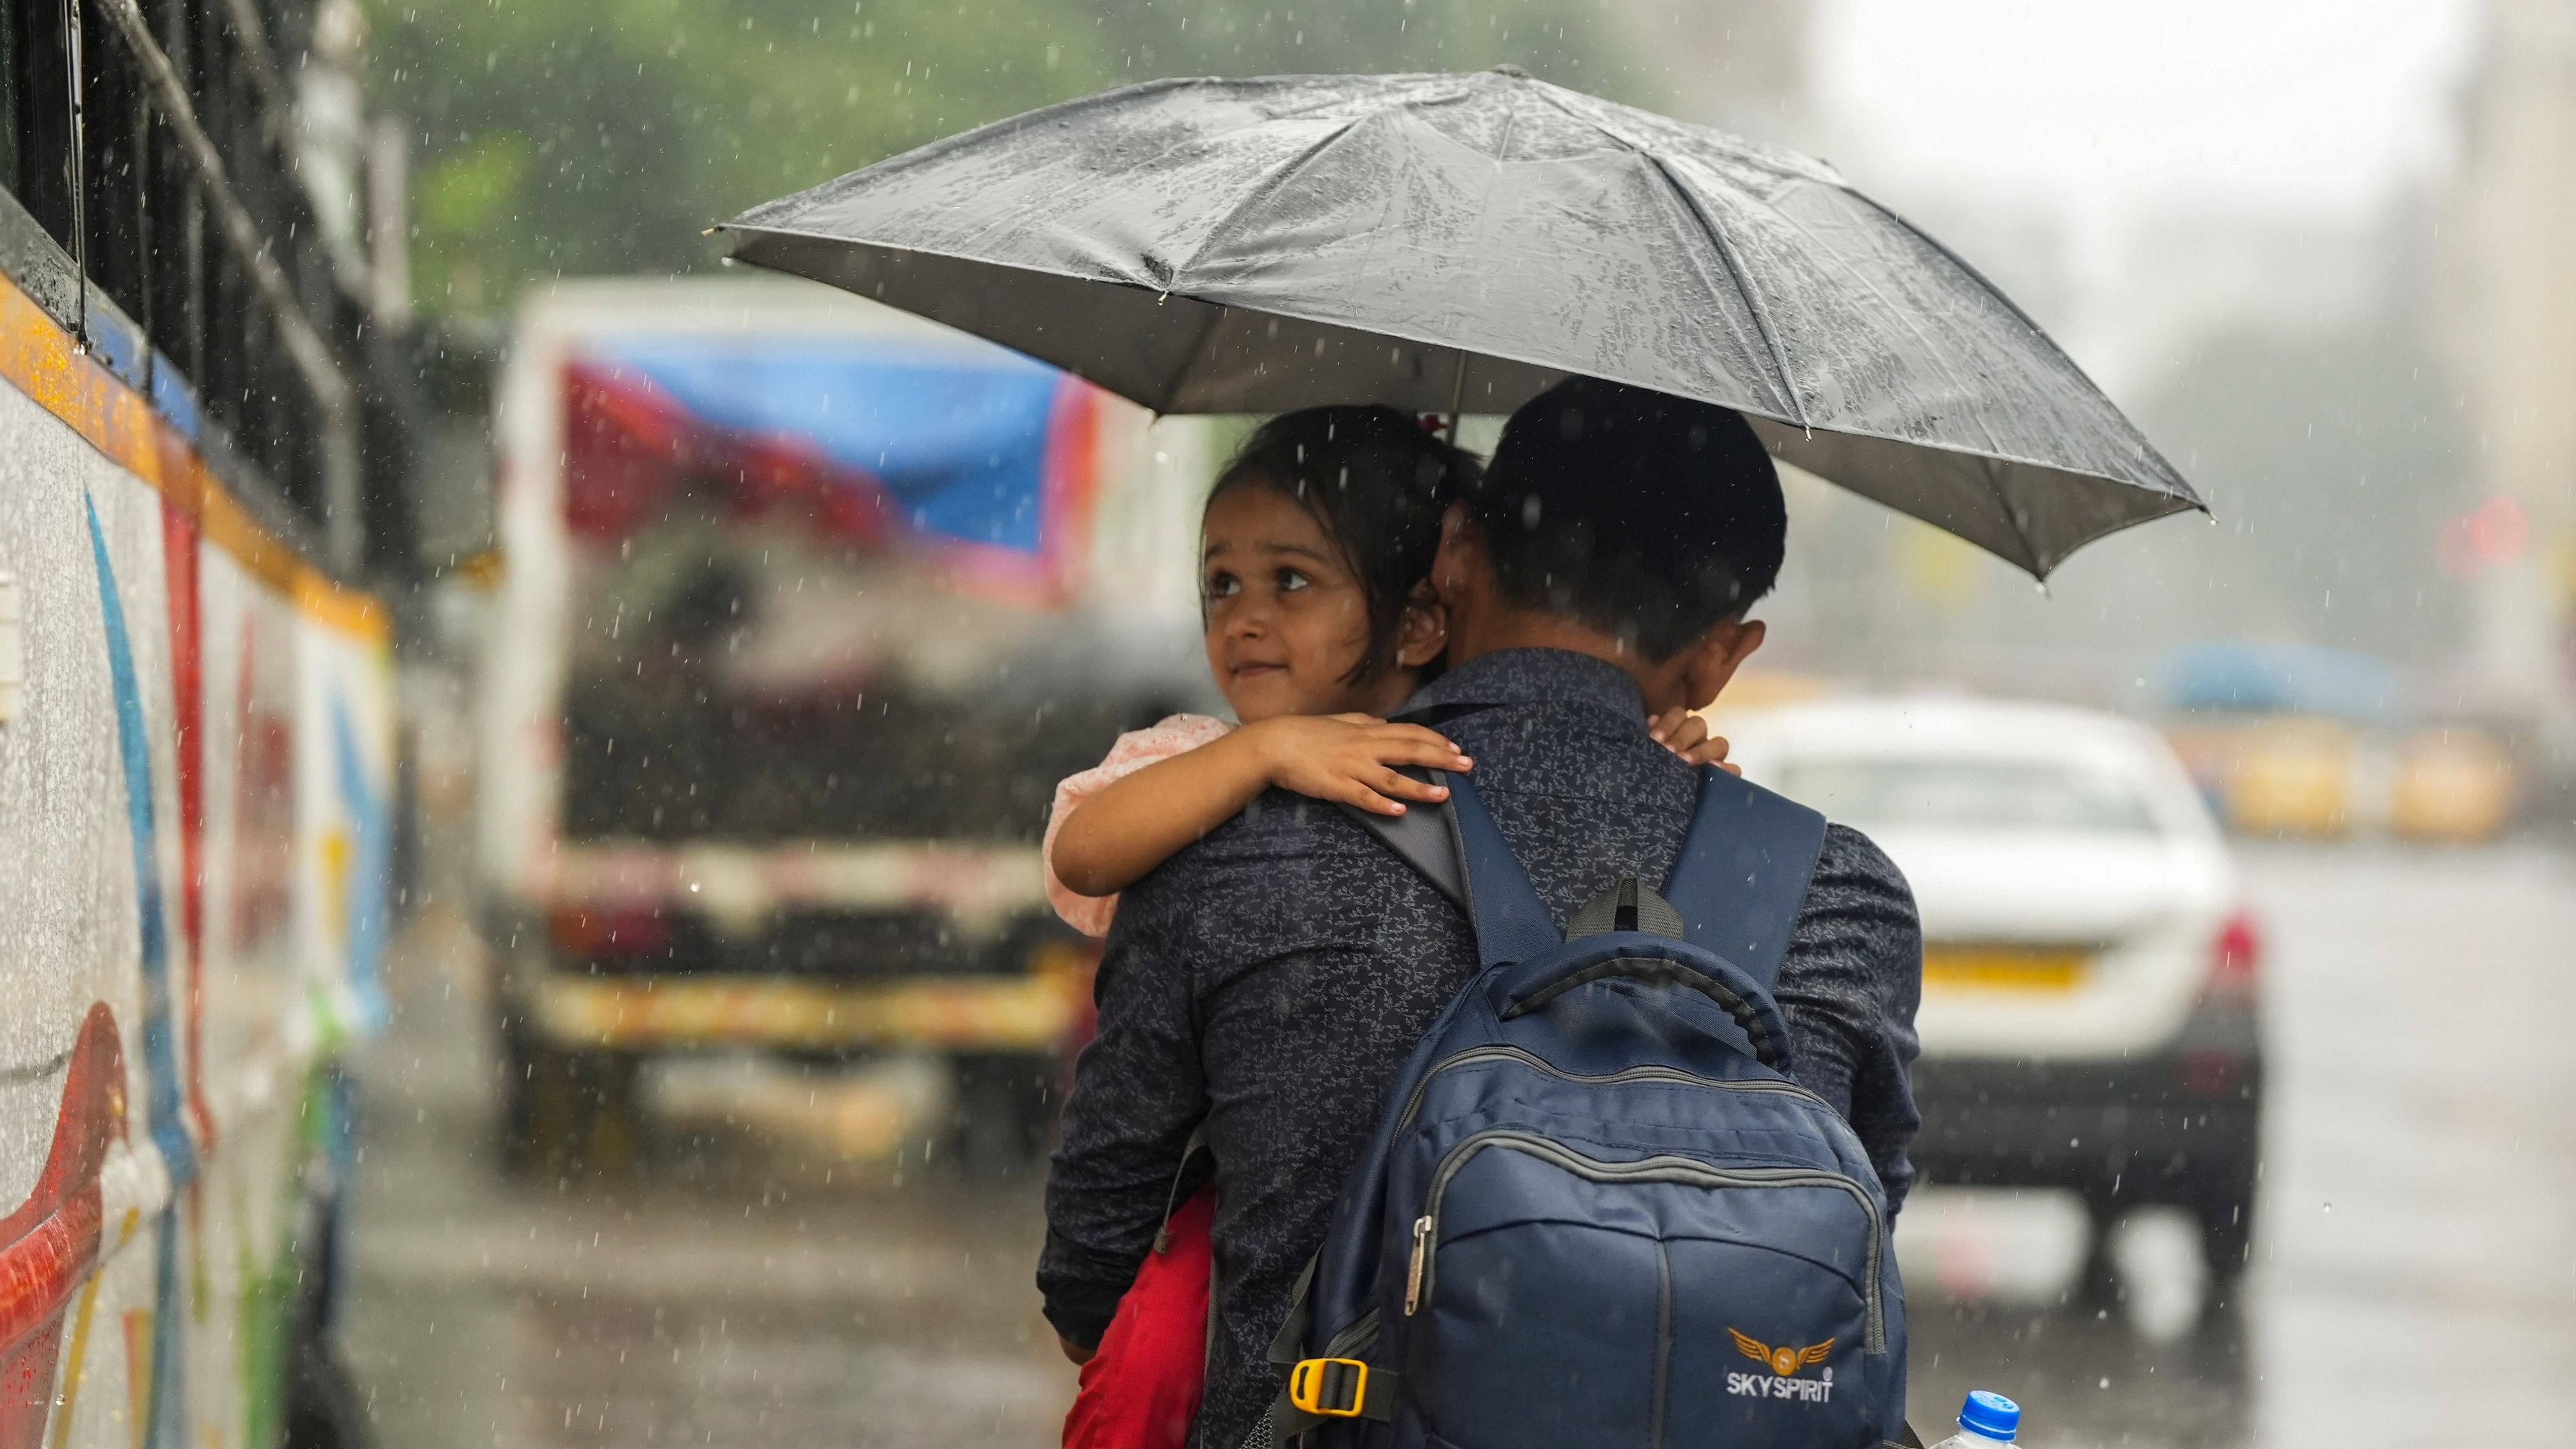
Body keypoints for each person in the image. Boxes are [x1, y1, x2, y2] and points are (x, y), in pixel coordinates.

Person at [1038, 376, 1925, 1449]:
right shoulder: (1837, 892)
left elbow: (1093, 1262)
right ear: (1723, 654)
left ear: (1454, 556)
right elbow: (1842, 1253)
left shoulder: (1232, 837)